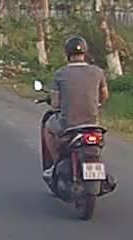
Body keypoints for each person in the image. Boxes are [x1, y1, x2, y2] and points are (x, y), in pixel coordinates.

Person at [43, 35, 110, 180]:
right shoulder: (98, 72)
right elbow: (104, 95)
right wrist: (97, 104)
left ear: (67, 54)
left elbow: (55, 104)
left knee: (48, 128)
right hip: (93, 125)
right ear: (85, 53)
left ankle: (55, 164)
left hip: (69, 125)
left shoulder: (60, 74)